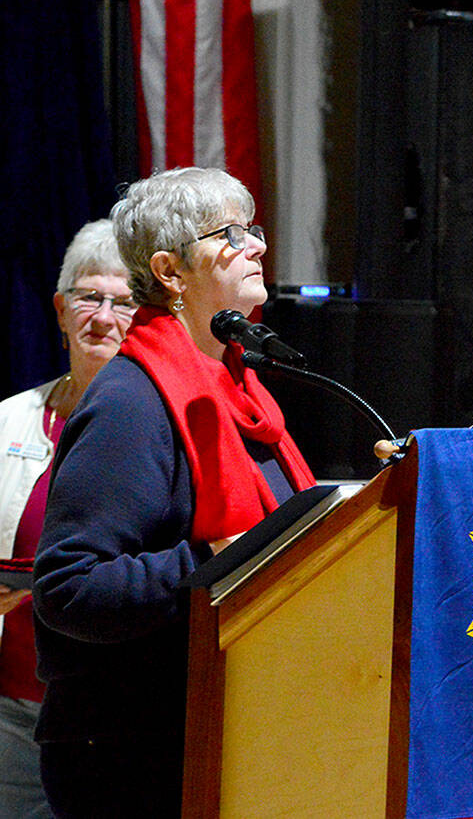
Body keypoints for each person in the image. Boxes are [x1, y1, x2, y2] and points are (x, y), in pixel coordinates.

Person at [32, 168, 316, 817]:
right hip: (132, 758)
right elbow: (69, 585)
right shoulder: (131, 403)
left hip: (229, 734)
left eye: (256, 228)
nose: (258, 247)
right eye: (232, 233)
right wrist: (212, 563)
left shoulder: (239, 390)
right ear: (169, 270)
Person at [0, 219, 133, 818]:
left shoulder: (162, 430)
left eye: (124, 301)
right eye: (87, 296)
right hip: (10, 713)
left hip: (113, 717)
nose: (102, 317)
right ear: (59, 310)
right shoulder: (9, 421)